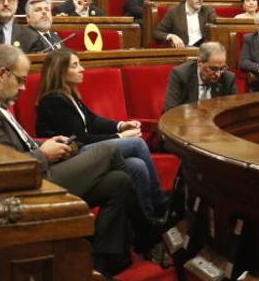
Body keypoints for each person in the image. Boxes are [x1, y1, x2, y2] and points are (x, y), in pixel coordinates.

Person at [0, 45, 150, 281]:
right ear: (1, 74)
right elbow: (10, 166)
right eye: (21, 80)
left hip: (36, 172)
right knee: (110, 152)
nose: (24, 87)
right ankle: (146, 233)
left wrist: (43, 143)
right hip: (24, 189)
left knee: (118, 182)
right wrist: (44, 153)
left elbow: (15, 144)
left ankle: (99, 269)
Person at [36, 49, 167, 222]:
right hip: (70, 157)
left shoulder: (68, 94)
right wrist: (120, 137)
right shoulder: (53, 100)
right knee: (137, 144)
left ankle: (148, 222)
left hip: (82, 150)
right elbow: (80, 138)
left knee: (137, 165)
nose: (82, 69)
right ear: (60, 71)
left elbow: (93, 121)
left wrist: (121, 125)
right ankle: (161, 207)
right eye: (75, 66)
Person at [164, 42, 237, 113]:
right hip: (184, 122)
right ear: (199, 62)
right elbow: (171, 111)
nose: (218, 74)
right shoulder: (181, 75)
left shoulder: (228, 78)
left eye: (222, 68)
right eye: (213, 69)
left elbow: (234, 111)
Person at [153, 0, 217, 48]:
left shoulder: (207, 10)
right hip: (183, 51)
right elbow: (157, 33)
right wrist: (171, 36)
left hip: (203, 51)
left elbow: (218, 25)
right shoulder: (174, 11)